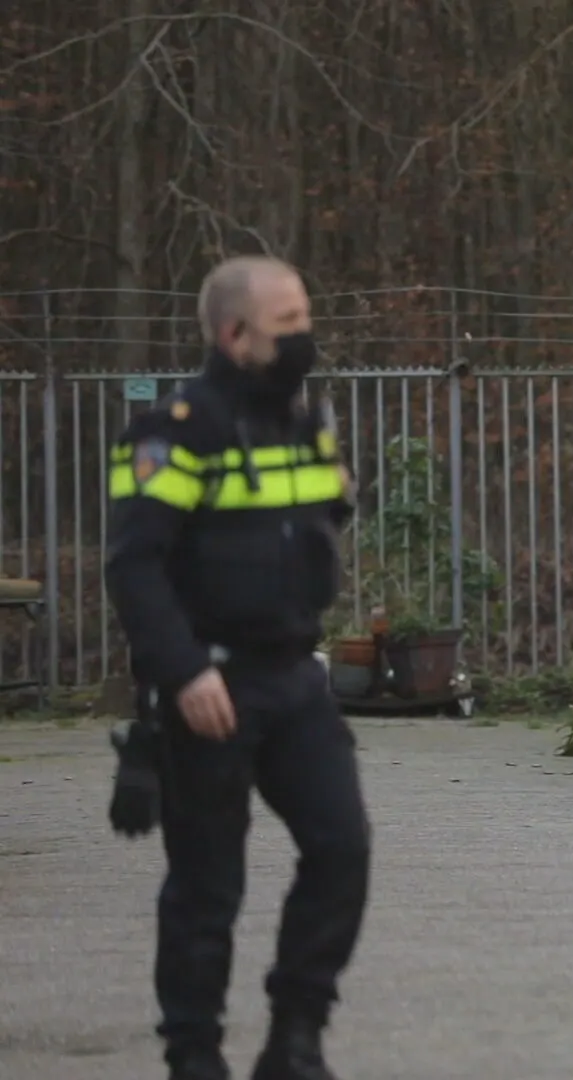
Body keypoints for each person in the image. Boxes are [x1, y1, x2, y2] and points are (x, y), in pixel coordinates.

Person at [103, 255, 369, 1080]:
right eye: (287, 324)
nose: (305, 338)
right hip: (206, 687)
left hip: (293, 677)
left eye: (305, 319)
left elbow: (312, 519)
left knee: (341, 848)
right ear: (234, 334)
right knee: (207, 888)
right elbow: (133, 566)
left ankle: (296, 1037)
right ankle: (194, 1056)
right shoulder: (172, 428)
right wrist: (182, 672)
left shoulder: (300, 419)